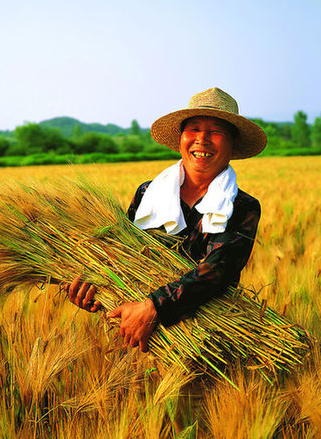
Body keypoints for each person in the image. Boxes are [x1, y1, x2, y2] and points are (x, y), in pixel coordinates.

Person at [65, 88, 267, 353]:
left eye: (216, 132)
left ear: (232, 144)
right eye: (193, 129)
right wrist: (97, 294)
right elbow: (121, 258)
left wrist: (152, 308)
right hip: (137, 340)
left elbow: (218, 271)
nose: (202, 140)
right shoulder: (148, 194)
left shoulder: (241, 207)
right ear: (181, 138)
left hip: (208, 343)